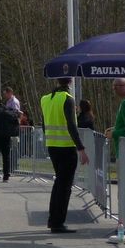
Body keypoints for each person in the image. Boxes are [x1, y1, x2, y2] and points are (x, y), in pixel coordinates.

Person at [41, 77, 89, 234]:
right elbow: (71, 125)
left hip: (52, 145)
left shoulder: (45, 99)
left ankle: (53, 220)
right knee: (64, 187)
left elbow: (44, 124)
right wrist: (81, 148)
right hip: (66, 147)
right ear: (70, 82)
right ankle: (57, 223)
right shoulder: (68, 99)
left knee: (58, 184)